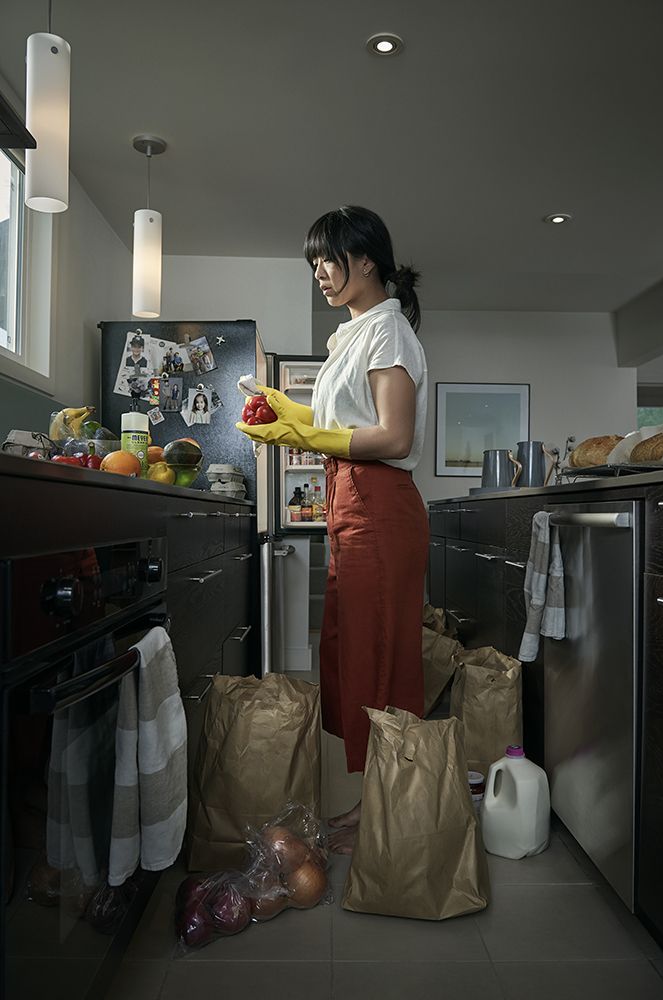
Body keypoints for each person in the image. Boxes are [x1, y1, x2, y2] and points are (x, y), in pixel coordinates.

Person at [236, 205, 428, 854]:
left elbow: (394, 435)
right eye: (312, 261)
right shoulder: (350, 334)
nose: (318, 272)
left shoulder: (388, 332)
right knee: (349, 651)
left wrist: (306, 431)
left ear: (366, 260)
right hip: (349, 503)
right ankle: (374, 807)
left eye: (329, 258)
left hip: (379, 507)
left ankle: (389, 818)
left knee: (379, 656)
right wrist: (290, 410)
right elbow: (344, 420)